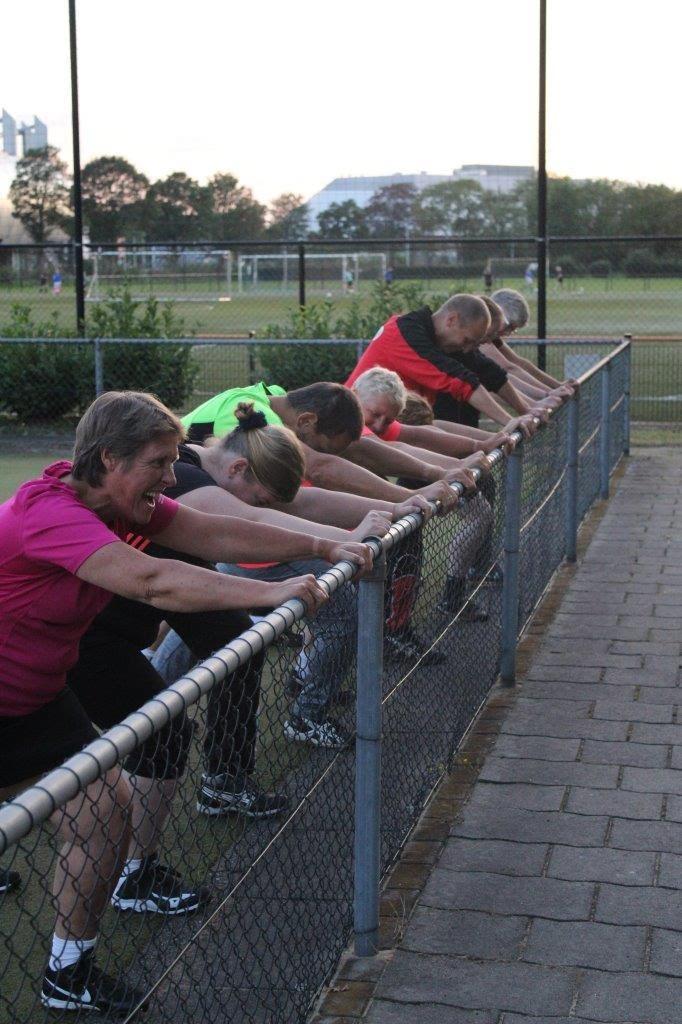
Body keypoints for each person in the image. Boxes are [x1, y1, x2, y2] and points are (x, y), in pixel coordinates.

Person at [0, 390, 341, 1016]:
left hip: (39, 697)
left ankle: (66, 971)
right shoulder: (50, 512)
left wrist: (320, 547)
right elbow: (150, 581)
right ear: (109, 460)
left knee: (106, 814)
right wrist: (271, 594)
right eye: (159, 462)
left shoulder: (124, 505)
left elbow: (209, 529)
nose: (171, 474)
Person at [345, 293, 542, 434]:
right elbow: (460, 381)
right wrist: (509, 422)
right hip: (353, 427)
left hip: (389, 427)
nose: (467, 349)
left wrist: (526, 411)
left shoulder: (441, 340)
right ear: (452, 320)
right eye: (467, 341)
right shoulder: (405, 335)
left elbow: (486, 370)